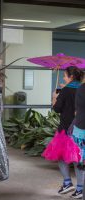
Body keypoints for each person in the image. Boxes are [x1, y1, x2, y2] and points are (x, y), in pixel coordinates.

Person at [42, 66, 84, 199]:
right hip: (80, 128)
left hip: (66, 128)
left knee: (60, 156)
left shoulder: (65, 90)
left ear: (71, 77)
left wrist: (54, 98)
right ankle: (80, 189)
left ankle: (67, 182)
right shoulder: (81, 88)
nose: (63, 78)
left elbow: (57, 109)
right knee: (79, 160)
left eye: (65, 76)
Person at [72, 79, 85, 199]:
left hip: (80, 130)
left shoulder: (81, 88)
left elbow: (76, 110)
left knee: (80, 163)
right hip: (80, 130)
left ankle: (80, 189)